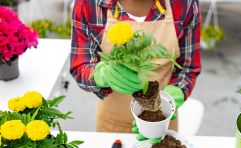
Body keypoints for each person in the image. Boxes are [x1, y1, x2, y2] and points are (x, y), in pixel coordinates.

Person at [71, 0, 201, 134]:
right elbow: (80, 65)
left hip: (162, 121)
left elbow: (188, 68)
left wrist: (171, 97)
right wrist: (101, 75)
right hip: (112, 123)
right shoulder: (88, 4)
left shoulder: (184, 4)